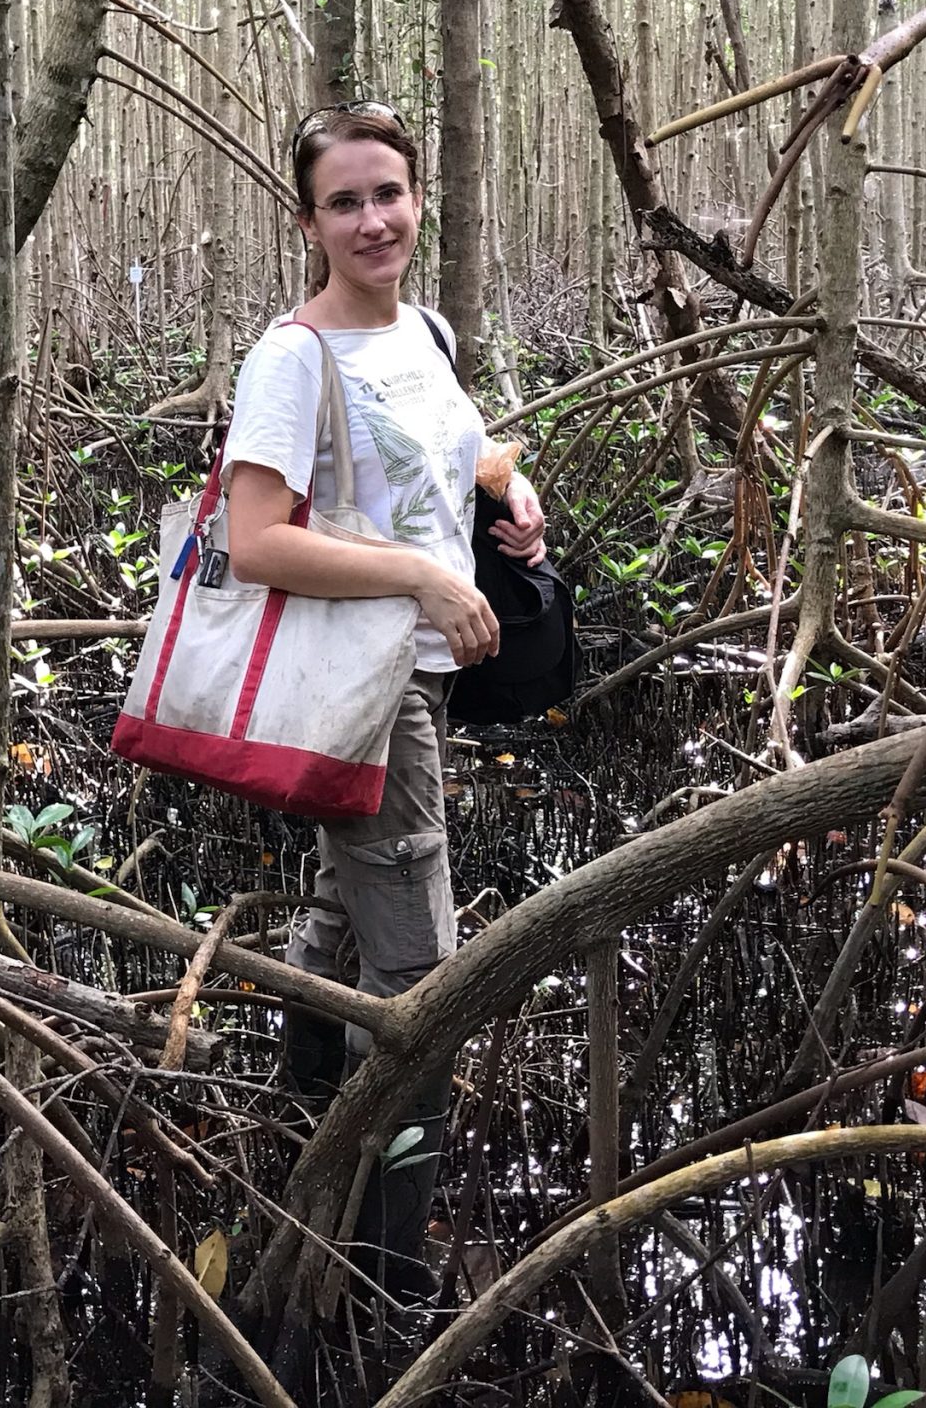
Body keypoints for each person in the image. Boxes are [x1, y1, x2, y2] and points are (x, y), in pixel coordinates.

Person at [223, 100, 545, 1304]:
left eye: (389, 193)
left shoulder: (428, 331)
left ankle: (301, 1097)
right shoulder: (291, 360)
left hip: (424, 668)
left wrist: (508, 492)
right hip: (365, 683)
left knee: (346, 895)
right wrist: (417, 572)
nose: (373, 219)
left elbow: (443, 454)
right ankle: (391, 1274)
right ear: (307, 220)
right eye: (345, 201)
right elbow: (254, 542)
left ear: (419, 199)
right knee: (421, 984)